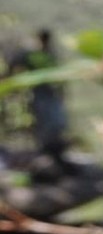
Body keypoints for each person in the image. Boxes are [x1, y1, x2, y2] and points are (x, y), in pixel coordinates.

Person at [7, 29, 69, 165]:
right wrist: (11, 80)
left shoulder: (50, 54)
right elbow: (16, 62)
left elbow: (59, 74)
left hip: (52, 94)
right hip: (39, 93)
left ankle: (54, 152)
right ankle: (45, 151)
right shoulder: (31, 53)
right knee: (45, 121)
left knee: (57, 122)